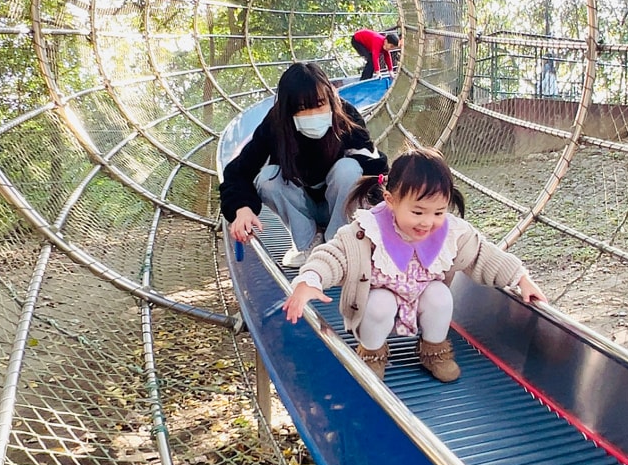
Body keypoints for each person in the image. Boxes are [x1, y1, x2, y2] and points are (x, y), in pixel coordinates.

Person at [283, 146, 547, 382]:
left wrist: (520, 278)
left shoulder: (450, 233)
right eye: (418, 212)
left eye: (438, 212)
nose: (427, 222)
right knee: (380, 303)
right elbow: (334, 255)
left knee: (440, 295)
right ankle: (372, 353)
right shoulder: (369, 231)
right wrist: (310, 280)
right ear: (391, 201)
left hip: (420, 298)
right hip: (377, 300)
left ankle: (433, 350)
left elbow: (483, 255)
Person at [220, 62, 387, 267]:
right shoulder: (275, 125)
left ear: (330, 99)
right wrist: (241, 208)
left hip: (340, 206)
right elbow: (238, 172)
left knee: (349, 169)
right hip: (302, 207)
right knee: (268, 178)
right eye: (301, 108)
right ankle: (309, 244)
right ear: (287, 109)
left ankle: (338, 243)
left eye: (319, 104)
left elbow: (374, 168)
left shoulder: (346, 118)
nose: (312, 114)